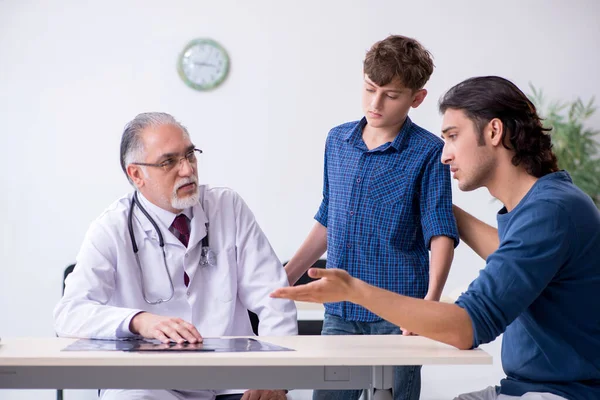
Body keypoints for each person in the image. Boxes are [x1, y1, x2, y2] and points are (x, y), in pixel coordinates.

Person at [272, 76, 600, 400]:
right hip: (523, 387)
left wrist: (354, 290)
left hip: (562, 394)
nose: (445, 156)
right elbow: (508, 255)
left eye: (453, 137)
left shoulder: (550, 212)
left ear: (494, 132)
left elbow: (468, 326)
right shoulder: (548, 203)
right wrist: (431, 202)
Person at [54, 112, 297, 400]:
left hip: (232, 380)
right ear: (136, 174)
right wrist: (139, 320)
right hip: (146, 382)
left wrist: (272, 378)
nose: (187, 170)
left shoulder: (227, 207)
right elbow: (69, 315)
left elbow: (274, 299)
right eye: (169, 162)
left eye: (190, 155)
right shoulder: (112, 227)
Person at [284, 35, 459, 400]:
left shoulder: (429, 153)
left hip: (399, 315)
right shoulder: (337, 141)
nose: (375, 103)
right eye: (369, 89)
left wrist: (429, 304)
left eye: (391, 95)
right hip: (340, 312)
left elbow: (440, 230)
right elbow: (329, 216)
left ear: (417, 98)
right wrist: (286, 274)